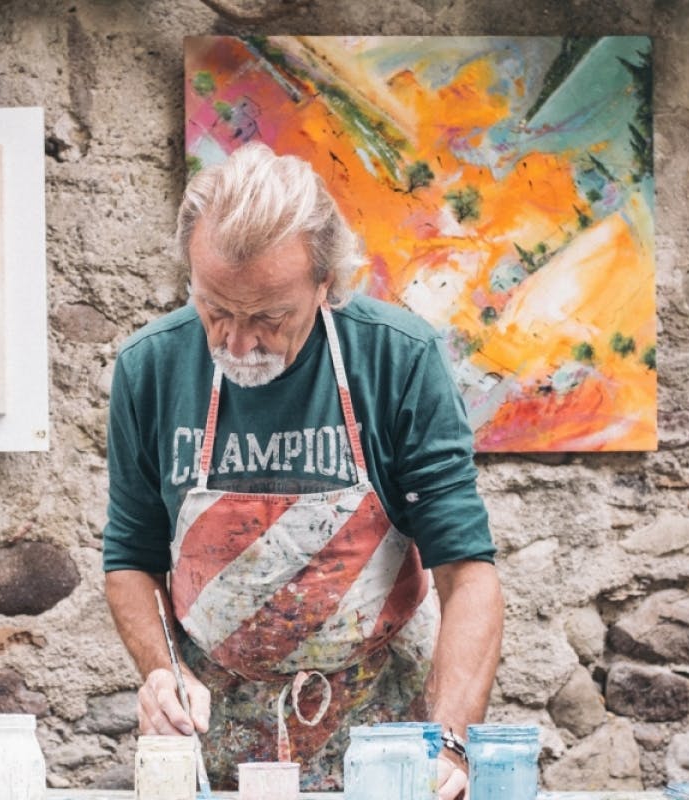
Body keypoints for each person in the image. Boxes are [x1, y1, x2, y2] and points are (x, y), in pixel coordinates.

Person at [102, 142, 505, 797]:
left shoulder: (396, 361)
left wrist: (449, 744)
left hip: (388, 741)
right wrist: (162, 671)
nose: (237, 343)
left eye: (269, 317)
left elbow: (468, 575)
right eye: (216, 309)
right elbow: (130, 559)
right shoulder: (150, 369)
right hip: (216, 741)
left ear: (325, 285)